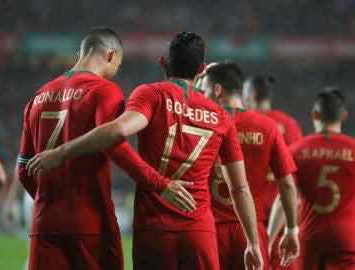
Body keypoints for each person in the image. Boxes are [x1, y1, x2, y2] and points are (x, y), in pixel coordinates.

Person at [26, 31, 264, 270]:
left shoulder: (151, 94)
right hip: (199, 228)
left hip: (153, 227)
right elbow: (240, 188)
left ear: (162, 62)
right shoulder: (220, 116)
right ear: (201, 68)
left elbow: (118, 131)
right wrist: (253, 243)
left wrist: (61, 152)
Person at [17, 27, 196, 270]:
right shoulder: (104, 90)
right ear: (111, 55)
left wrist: (49, 202)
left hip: (45, 225)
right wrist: (160, 184)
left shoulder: (38, 96)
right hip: (91, 223)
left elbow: (23, 169)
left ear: (80, 53)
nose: (114, 73)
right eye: (118, 66)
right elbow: (116, 147)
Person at [196, 60, 299, 270]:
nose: (200, 97)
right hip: (252, 232)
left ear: (218, 91)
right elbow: (288, 185)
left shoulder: (200, 123)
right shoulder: (266, 126)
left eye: (203, 91)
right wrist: (291, 229)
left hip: (208, 230)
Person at [287, 88, 355, 269]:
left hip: (310, 236)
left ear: (315, 114)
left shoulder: (296, 150)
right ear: (344, 116)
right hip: (346, 235)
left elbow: (286, 196)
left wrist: (288, 231)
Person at [243, 76, 303, 270]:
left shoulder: (243, 123)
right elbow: (292, 179)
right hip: (283, 216)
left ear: (252, 95)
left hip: (247, 217)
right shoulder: (290, 124)